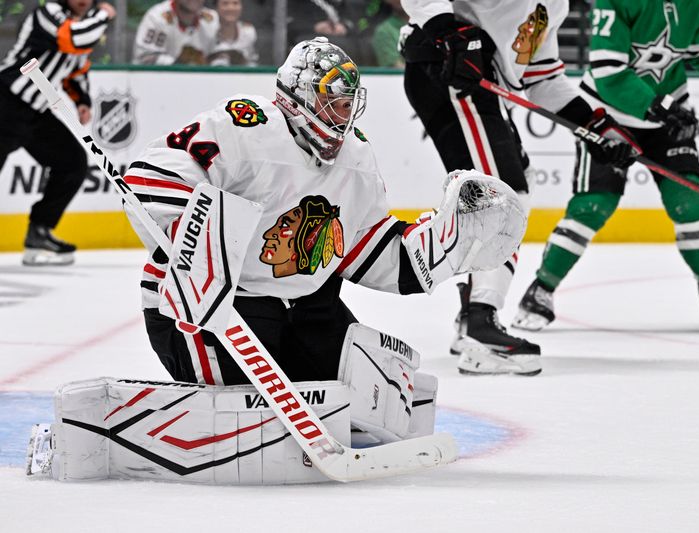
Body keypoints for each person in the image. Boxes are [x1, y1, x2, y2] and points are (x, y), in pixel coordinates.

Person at [24, 37, 524, 484]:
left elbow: (367, 249)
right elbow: (148, 178)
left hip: (309, 306)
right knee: (247, 416)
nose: (343, 118)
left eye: (350, 104)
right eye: (333, 103)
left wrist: (441, 247)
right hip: (210, 305)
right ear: (298, 97)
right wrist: (201, 230)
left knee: (379, 397)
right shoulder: (245, 126)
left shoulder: (357, 158)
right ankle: (100, 432)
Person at [514, 0, 699, 334]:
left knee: (689, 202)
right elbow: (608, 72)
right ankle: (540, 289)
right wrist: (657, 108)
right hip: (606, 118)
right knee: (593, 206)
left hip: (666, 116)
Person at [399, 0, 636, 375]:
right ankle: (480, 324)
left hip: (478, 84)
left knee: (507, 188)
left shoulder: (554, 6)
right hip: (446, 72)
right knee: (503, 196)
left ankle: (472, 318)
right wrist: (450, 33)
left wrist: (597, 127)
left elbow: (544, 80)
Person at [0, 0, 115, 266]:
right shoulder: (48, 13)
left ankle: (39, 232)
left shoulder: (85, 27)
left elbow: (76, 67)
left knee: (73, 163)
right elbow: (71, 40)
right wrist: (103, 14)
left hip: (36, 113)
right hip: (6, 102)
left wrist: (81, 99)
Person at [133, 0, 218, 65]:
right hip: (156, 83)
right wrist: (178, 64)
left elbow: (221, 58)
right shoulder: (156, 18)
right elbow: (144, 59)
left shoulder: (213, 20)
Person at [208, 0, 258, 66]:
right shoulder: (206, 32)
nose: (231, 8)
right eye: (225, 3)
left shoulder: (248, 32)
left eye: (235, 3)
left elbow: (252, 63)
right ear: (216, 8)